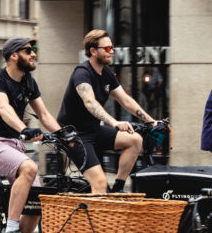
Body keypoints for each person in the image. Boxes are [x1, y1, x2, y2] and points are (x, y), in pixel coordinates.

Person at [0, 37, 63, 233]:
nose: (34, 54)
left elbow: (44, 114)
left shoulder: (29, 81)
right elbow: (3, 108)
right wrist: (23, 129)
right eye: (29, 50)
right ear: (13, 55)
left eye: (34, 50)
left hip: (12, 146)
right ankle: (10, 232)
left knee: (36, 201)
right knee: (29, 167)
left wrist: (63, 136)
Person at [57, 29, 160, 193]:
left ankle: (117, 190)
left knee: (135, 140)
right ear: (93, 51)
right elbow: (90, 102)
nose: (111, 51)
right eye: (107, 48)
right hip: (74, 135)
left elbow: (125, 100)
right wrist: (114, 122)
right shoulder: (82, 73)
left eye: (112, 48)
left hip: (93, 130)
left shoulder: (106, 73)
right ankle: (98, 215)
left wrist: (150, 121)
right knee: (99, 182)